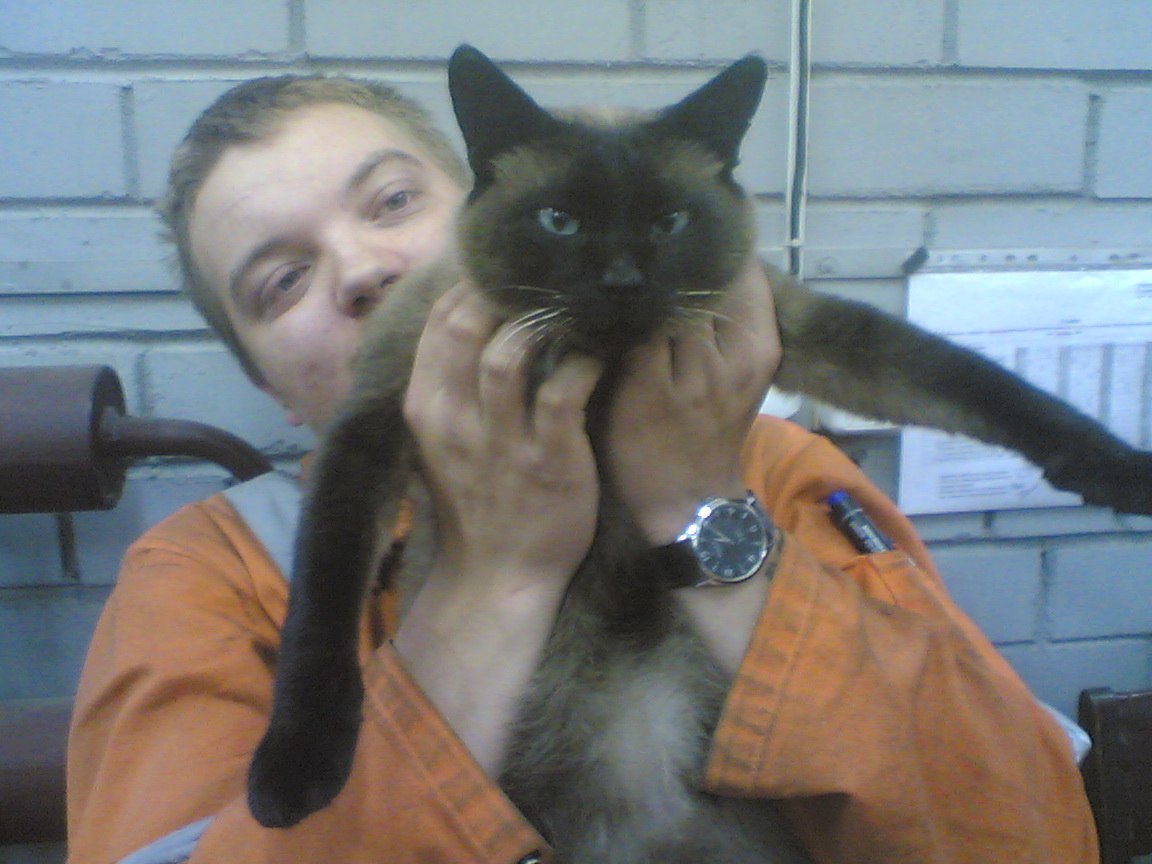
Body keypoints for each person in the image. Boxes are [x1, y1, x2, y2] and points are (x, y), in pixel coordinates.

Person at [65, 73, 1098, 864]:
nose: (367, 270)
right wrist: (493, 578)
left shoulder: (782, 472)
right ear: (270, 388)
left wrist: (696, 505)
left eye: (391, 201)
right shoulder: (207, 577)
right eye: (284, 279)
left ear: (475, 206)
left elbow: (1022, 830)